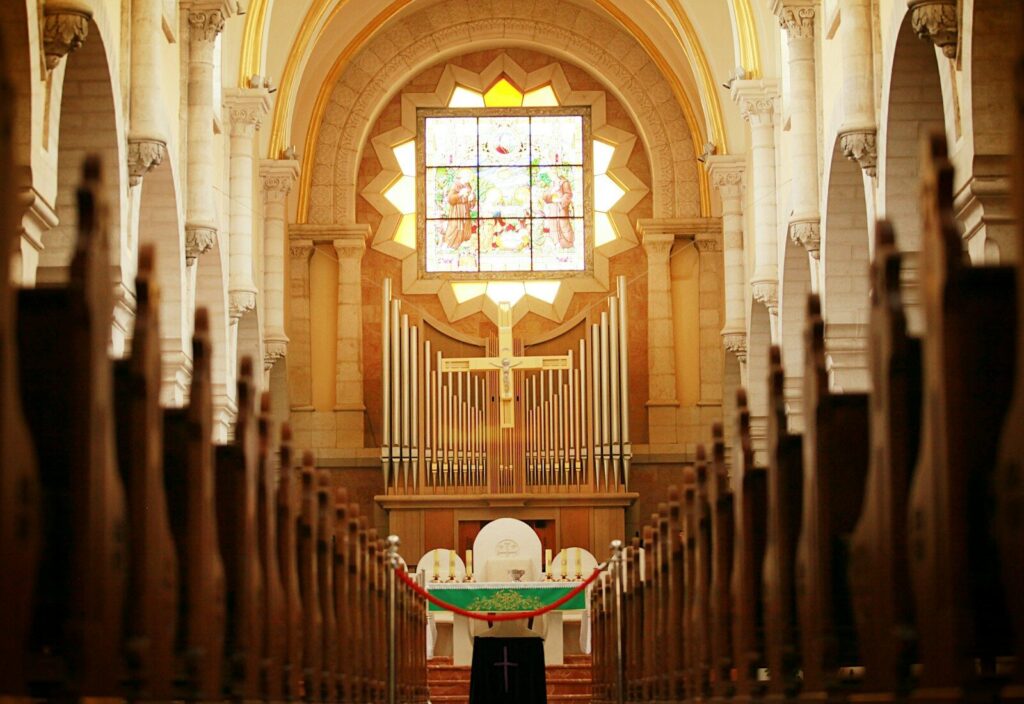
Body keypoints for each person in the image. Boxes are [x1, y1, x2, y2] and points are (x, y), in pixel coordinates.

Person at [443, 175, 475, 249]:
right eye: (467, 177)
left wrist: (472, 199)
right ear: (462, 177)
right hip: (457, 210)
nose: (468, 179)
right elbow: (450, 199)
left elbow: (471, 197)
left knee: (466, 226)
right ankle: (449, 245)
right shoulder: (455, 185)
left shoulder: (468, 185)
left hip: (466, 210)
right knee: (454, 226)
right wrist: (460, 194)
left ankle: (463, 244)